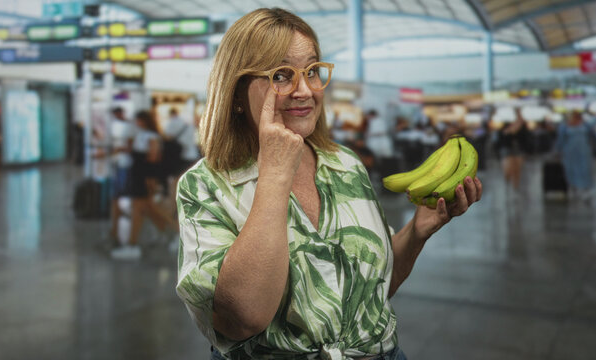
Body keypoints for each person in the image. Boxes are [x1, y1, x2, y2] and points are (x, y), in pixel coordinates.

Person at [175, 8, 482, 360]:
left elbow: (371, 289)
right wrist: (275, 175)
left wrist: (417, 232)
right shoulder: (204, 186)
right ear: (237, 93)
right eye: (281, 75)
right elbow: (244, 317)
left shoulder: (345, 165)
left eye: (312, 71)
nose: (304, 90)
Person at [111, 110, 176, 259]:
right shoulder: (141, 135)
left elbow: (153, 157)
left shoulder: (151, 136)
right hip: (140, 176)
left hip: (144, 178)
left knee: (144, 209)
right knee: (148, 209)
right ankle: (170, 234)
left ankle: (134, 244)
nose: (137, 123)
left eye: (139, 120)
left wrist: (136, 154)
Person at [556, 110, 596, 201]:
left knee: (585, 169)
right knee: (571, 169)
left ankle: (586, 188)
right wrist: (558, 151)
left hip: (584, 151)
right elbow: (561, 139)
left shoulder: (586, 125)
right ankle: (574, 187)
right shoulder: (564, 126)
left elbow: (593, 136)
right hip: (570, 151)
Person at [109, 107, 136, 246]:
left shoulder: (129, 127)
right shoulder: (118, 126)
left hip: (125, 162)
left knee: (122, 190)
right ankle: (119, 212)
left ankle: (124, 211)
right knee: (118, 191)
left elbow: (131, 147)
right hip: (119, 161)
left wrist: (120, 149)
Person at [496, 108, 530, 193]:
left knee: (517, 170)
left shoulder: (522, 126)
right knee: (508, 169)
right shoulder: (505, 126)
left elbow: (526, 138)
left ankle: (515, 187)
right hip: (507, 149)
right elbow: (503, 136)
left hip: (518, 150)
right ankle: (508, 182)